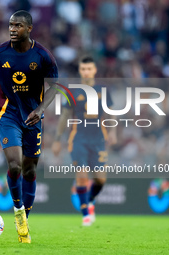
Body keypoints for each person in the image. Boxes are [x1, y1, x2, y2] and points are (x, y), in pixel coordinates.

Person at [0, 10, 58, 243]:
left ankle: (26, 219)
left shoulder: (43, 56)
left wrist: (40, 110)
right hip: (6, 113)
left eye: (18, 26)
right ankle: (19, 211)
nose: (13, 29)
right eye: (11, 25)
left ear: (29, 28)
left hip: (32, 116)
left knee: (30, 170)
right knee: (15, 166)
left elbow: (55, 86)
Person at [52, 56, 116, 226]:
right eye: (83, 69)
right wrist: (57, 140)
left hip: (98, 139)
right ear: (80, 71)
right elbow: (64, 116)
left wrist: (114, 131)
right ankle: (85, 212)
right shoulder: (73, 91)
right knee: (81, 175)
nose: (86, 72)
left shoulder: (103, 90)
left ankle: (91, 199)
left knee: (100, 179)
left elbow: (111, 113)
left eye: (89, 69)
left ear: (94, 70)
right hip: (78, 138)